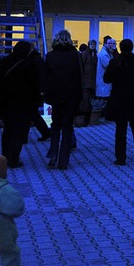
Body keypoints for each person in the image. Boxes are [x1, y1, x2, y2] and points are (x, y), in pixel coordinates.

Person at [0, 41, 41, 168]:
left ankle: (5, 156)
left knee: (8, 130)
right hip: (22, 104)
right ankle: (13, 159)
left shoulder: (2, 63)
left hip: (5, 103)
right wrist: (37, 101)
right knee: (19, 132)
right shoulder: (28, 65)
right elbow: (34, 85)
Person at [103, 38, 134, 165]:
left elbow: (106, 78)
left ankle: (121, 157)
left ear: (120, 48)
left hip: (119, 98)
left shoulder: (115, 62)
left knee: (121, 128)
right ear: (131, 48)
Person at [43, 29, 83, 170]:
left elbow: (46, 78)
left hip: (55, 95)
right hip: (71, 96)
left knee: (55, 125)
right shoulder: (76, 56)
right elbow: (80, 77)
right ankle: (63, 160)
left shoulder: (50, 56)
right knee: (67, 126)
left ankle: (53, 153)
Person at [96, 36, 117, 116]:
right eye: (109, 43)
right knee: (105, 98)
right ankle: (105, 114)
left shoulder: (107, 53)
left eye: (112, 43)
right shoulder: (104, 54)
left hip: (105, 80)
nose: (111, 45)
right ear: (105, 44)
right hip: (104, 80)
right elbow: (109, 65)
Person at [80, 40, 98, 124]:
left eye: (94, 44)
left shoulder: (95, 54)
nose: (92, 46)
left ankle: (89, 118)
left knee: (90, 99)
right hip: (86, 80)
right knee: (85, 100)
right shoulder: (85, 54)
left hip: (92, 80)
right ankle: (84, 118)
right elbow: (82, 65)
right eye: (91, 44)